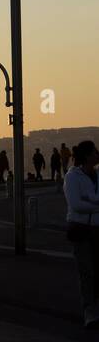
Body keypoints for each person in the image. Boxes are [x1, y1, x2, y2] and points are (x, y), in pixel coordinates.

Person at [64, 140, 99, 329]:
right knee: (86, 271)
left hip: (97, 228)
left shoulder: (97, 175)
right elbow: (76, 205)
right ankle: (90, 312)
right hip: (80, 228)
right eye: (95, 152)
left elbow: (85, 202)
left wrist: (92, 200)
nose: (98, 154)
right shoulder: (72, 177)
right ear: (86, 156)